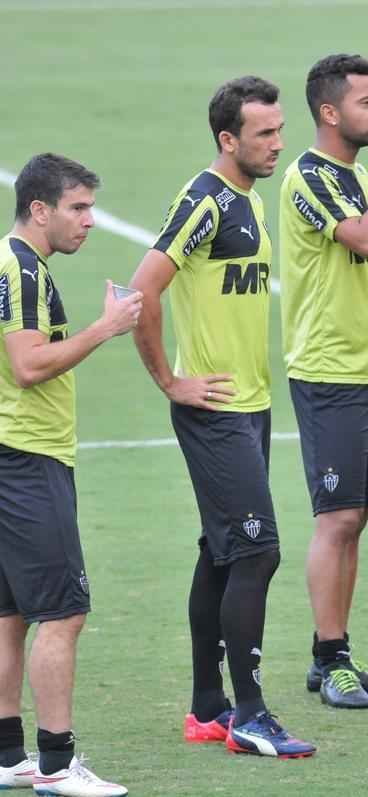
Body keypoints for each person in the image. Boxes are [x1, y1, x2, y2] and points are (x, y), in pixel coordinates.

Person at [130, 77, 314, 758]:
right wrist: (170, 380)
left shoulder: (249, 202)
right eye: (263, 133)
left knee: (222, 552)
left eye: (278, 129)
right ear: (227, 139)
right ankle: (250, 713)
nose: (277, 142)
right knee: (258, 552)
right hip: (216, 413)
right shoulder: (204, 202)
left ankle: (210, 707)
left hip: (251, 407)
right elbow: (145, 288)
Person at [0, 153, 140, 796]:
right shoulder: (22, 270)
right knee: (63, 613)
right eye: (78, 208)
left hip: (12, 454)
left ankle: (8, 756)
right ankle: (57, 765)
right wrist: (105, 328)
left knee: (11, 616)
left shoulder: (15, 264)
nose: (90, 221)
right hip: (28, 460)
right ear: (40, 210)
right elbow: (29, 367)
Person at [277, 53, 368, 708]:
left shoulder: (351, 172)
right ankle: (331, 661)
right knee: (337, 517)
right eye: (367, 103)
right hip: (329, 367)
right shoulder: (310, 176)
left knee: (355, 518)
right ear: (329, 112)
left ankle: (336, 650)